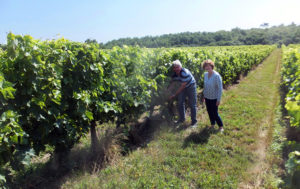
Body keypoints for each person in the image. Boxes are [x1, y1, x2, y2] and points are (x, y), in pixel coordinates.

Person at [168, 60, 197, 126]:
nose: (176, 69)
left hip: (191, 86)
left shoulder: (185, 73)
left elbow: (183, 86)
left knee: (192, 104)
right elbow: (172, 83)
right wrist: (168, 91)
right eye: (175, 67)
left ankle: (194, 122)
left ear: (181, 67)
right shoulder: (174, 74)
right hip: (183, 86)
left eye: (177, 67)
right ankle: (182, 119)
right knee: (180, 103)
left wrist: (174, 95)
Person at [202, 59, 224, 132]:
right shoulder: (205, 75)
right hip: (207, 97)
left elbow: (220, 88)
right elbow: (205, 86)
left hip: (214, 97)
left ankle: (221, 126)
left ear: (211, 66)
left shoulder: (216, 76)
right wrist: (204, 96)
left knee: (215, 113)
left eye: (208, 66)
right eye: (205, 66)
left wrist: (218, 99)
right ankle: (212, 124)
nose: (207, 67)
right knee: (209, 111)